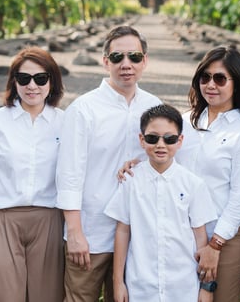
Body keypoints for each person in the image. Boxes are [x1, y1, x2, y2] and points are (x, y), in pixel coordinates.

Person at [119, 45, 240, 301]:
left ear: (236, 83)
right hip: (184, 235)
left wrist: (214, 245)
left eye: (220, 78)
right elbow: (164, 152)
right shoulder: (185, 122)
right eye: (204, 78)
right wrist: (135, 162)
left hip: (226, 240)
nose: (210, 85)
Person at [56, 25, 162, 302]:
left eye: (134, 57)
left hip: (138, 234)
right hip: (92, 233)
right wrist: (75, 233)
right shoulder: (83, 109)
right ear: (105, 62)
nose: (126, 64)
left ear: (145, 60)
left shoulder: (155, 107)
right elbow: (69, 174)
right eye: (117, 57)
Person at [0, 47, 66, 301]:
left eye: (40, 78)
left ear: (51, 81)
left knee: (47, 296)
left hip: (49, 219)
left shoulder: (66, 122)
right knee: (1, 295)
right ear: (14, 81)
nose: (32, 85)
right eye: (24, 78)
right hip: (2, 219)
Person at [104, 104, 218, 302]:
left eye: (169, 138)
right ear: (141, 139)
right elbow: (123, 231)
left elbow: (200, 238)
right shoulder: (130, 181)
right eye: (152, 138)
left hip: (183, 286)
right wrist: (118, 282)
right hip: (141, 285)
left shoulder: (193, 184)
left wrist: (205, 287)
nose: (160, 144)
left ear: (180, 140)